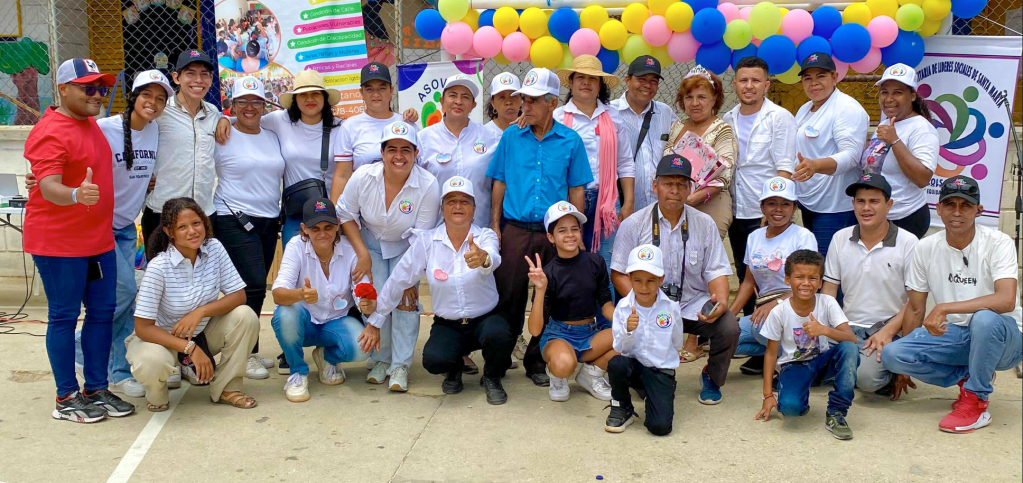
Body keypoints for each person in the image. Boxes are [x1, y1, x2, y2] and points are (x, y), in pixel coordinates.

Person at [24, 58, 135, 422]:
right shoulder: (50, 130)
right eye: (88, 87)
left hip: (98, 242)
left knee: (102, 314)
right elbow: (47, 185)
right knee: (64, 317)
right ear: (63, 90)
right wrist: (74, 194)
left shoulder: (91, 125)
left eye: (101, 87)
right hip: (59, 245)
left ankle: (96, 388)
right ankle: (66, 397)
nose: (98, 94)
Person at [881, 176, 1023, 434]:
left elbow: (1005, 300)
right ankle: (968, 377)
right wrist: (905, 366)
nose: (956, 212)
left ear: (978, 210)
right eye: (950, 204)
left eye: (965, 205)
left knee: (984, 318)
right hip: (958, 335)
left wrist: (946, 307)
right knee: (893, 356)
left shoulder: (998, 242)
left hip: (1006, 339)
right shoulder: (925, 248)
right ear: (938, 208)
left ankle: (976, 402)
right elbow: (915, 308)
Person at [363, 177, 513, 404]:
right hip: (449, 323)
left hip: (485, 319)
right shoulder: (427, 241)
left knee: (500, 335)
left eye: (465, 201)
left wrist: (483, 259)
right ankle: (453, 370)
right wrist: (375, 321)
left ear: (474, 209)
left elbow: (493, 258)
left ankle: (492, 377)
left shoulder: (484, 236)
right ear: (442, 209)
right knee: (433, 360)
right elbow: (398, 281)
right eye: (451, 201)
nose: (458, 206)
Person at [486, 67, 593, 386]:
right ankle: (500, 358)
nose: (524, 107)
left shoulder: (571, 141)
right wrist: (495, 225)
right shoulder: (511, 136)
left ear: (551, 103)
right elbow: (499, 181)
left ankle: (535, 360)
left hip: (553, 233)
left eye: (532, 101)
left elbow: (576, 189)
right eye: (524, 100)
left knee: (547, 299)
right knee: (509, 297)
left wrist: (577, 237)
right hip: (515, 230)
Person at [611, 154, 737, 405]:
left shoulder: (704, 223)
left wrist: (720, 301)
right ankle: (644, 376)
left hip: (692, 303)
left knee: (729, 326)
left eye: (682, 184)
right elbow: (618, 272)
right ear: (655, 186)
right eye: (668, 183)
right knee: (636, 330)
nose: (675, 190)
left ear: (690, 188)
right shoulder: (634, 224)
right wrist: (642, 302)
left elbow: (716, 270)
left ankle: (712, 377)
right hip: (650, 304)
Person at [129, 197, 260, 411]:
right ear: (169, 232)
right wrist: (191, 349)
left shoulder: (214, 248)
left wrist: (201, 312)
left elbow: (238, 296)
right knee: (150, 361)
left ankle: (227, 388)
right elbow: (143, 328)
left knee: (245, 316)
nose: (192, 231)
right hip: (162, 340)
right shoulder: (158, 267)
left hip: (203, 333)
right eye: (182, 227)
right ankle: (157, 393)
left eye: (196, 223)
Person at [339, 120, 441, 392]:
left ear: (416, 153)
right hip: (369, 243)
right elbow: (345, 215)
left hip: (408, 248)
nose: (399, 156)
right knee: (371, 297)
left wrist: (409, 279)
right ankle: (380, 358)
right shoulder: (363, 177)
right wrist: (362, 254)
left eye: (406, 150)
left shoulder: (428, 185)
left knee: (405, 300)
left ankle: (400, 364)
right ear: (382, 153)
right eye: (392, 149)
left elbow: (421, 238)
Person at [216, 69, 343, 249]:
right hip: (296, 212)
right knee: (296, 270)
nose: (309, 99)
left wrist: (336, 211)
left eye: (315, 93)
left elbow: (344, 173)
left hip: (329, 211)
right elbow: (249, 118)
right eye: (303, 94)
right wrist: (225, 120)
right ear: (294, 99)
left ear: (324, 98)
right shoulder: (279, 120)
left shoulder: (340, 128)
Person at [212, 76, 285, 379]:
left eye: (256, 101)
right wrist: (218, 119)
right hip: (233, 216)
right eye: (243, 102)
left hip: (269, 218)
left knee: (256, 288)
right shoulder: (221, 134)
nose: (250, 107)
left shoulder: (271, 134)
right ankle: (242, 354)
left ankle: (249, 349)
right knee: (251, 284)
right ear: (232, 105)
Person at [822, 173, 918, 395]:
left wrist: (887, 331)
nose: (866, 208)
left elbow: (915, 300)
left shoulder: (908, 242)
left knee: (867, 381)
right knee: (795, 354)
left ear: (889, 205)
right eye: (860, 201)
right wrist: (831, 325)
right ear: (853, 204)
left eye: (874, 201)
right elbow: (829, 290)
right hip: (846, 327)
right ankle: (849, 366)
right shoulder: (840, 238)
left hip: (886, 329)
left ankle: (878, 368)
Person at [270, 197, 373, 402]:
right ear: (304, 229)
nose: (323, 233)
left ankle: (327, 358)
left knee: (363, 347)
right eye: (315, 228)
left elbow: (363, 290)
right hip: (305, 322)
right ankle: (298, 372)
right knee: (285, 314)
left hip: (336, 321)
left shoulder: (350, 249)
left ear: (337, 226)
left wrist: (367, 304)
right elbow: (278, 294)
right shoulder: (295, 246)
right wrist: (301, 294)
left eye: (328, 227)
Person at [754, 250, 858, 440]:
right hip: (795, 365)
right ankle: (797, 391)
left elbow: (851, 338)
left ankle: (837, 412)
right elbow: (770, 354)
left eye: (813, 278)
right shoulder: (779, 312)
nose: (806, 283)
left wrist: (824, 330)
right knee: (791, 409)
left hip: (822, 362)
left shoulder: (827, 302)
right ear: (787, 280)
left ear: (820, 282)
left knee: (849, 349)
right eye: (799, 277)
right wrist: (767, 395)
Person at [722, 56, 797, 318]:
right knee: (745, 273)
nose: (749, 86)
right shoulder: (727, 119)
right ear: (735, 84)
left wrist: (774, 211)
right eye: (744, 80)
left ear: (766, 85)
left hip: (764, 211)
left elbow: (785, 168)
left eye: (755, 80)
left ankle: (770, 330)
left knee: (771, 273)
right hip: (737, 207)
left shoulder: (780, 117)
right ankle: (745, 331)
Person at [525, 202, 616, 401]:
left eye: (575, 229)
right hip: (558, 334)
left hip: (589, 333)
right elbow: (534, 330)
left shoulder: (595, 262)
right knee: (565, 364)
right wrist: (540, 289)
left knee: (632, 336)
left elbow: (606, 304)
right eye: (562, 230)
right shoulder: (548, 272)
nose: (570, 235)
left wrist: (625, 319)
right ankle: (558, 375)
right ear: (551, 237)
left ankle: (591, 374)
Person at [554, 55, 636, 266]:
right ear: (570, 83)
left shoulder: (614, 117)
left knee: (605, 260)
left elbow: (625, 163)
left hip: (607, 201)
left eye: (592, 78)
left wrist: (628, 202)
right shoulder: (557, 118)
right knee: (570, 258)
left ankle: (605, 300)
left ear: (600, 85)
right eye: (580, 77)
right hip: (569, 199)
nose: (586, 83)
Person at [730, 177, 817, 375]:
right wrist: (728, 316)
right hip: (765, 312)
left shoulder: (803, 237)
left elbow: (808, 285)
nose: (778, 209)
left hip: (795, 307)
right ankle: (781, 354)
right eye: (772, 203)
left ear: (794, 207)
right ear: (762, 207)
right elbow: (748, 282)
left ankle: (802, 358)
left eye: (785, 204)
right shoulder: (754, 237)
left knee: (760, 328)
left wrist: (776, 304)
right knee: (723, 338)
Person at [143, 50, 222, 257]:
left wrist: (223, 120)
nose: (198, 80)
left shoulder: (213, 113)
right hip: (162, 214)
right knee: (164, 283)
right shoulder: (159, 111)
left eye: (204, 74)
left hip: (203, 214)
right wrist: (142, 177)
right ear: (176, 77)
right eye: (191, 73)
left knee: (203, 280)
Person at [791, 52, 869, 256]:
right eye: (807, 78)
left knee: (829, 270)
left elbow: (852, 156)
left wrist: (815, 165)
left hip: (836, 208)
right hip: (809, 204)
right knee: (813, 266)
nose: (813, 83)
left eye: (821, 76)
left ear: (835, 77)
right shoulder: (805, 109)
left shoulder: (846, 108)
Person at [605, 244, 684, 435]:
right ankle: (622, 405)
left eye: (651, 280)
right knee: (616, 363)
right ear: (629, 279)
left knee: (660, 428)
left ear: (661, 279)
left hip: (660, 371)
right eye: (638, 280)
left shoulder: (671, 308)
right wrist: (628, 330)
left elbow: (677, 343)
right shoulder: (624, 308)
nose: (644, 287)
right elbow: (618, 346)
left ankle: (656, 395)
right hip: (635, 368)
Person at [861, 63, 940, 239]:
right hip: (878, 215)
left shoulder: (922, 129)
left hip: (905, 217)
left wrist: (895, 141)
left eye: (897, 92)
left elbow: (922, 178)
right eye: (884, 92)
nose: (889, 98)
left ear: (912, 95)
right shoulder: (886, 123)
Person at [418, 74, 501, 229]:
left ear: (473, 105)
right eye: (452, 95)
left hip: (480, 228)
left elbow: (500, 181)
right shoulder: (423, 138)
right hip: (436, 230)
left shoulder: (492, 137)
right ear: (442, 101)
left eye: (465, 97)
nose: (458, 101)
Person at [664, 65, 737, 240]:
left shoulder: (722, 130)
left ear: (714, 99)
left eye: (702, 97)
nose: (694, 103)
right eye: (689, 97)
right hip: (676, 202)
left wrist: (691, 199)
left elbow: (724, 176)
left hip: (710, 204)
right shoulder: (677, 126)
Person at [333, 62, 419, 199]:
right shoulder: (350, 126)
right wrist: (335, 214)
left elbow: (420, 168)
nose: (376, 94)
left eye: (381, 88)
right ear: (361, 92)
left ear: (391, 91)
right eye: (369, 89)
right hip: (363, 201)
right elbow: (342, 175)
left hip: (404, 201)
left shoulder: (406, 124)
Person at [610, 55, 678, 211]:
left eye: (654, 81)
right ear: (627, 80)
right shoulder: (610, 112)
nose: (648, 85)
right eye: (642, 79)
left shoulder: (665, 112)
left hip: (659, 205)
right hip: (622, 205)